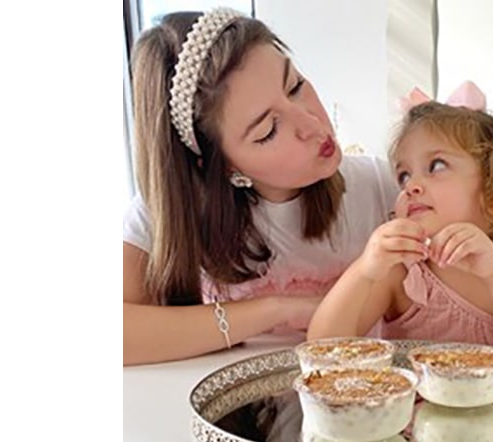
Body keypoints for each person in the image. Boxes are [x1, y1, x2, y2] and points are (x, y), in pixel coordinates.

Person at [122, 9, 399, 366]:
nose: (312, 124)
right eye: (268, 130)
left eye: (295, 86)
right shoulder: (169, 212)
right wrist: (277, 310)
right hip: (236, 414)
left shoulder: (378, 185)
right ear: (219, 165)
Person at [307, 83, 493, 365]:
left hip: (492, 407)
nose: (412, 186)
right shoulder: (402, 272)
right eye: (404, 175)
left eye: (436, 166)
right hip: (418, 408)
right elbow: (323, 349)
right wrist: (364, 271)